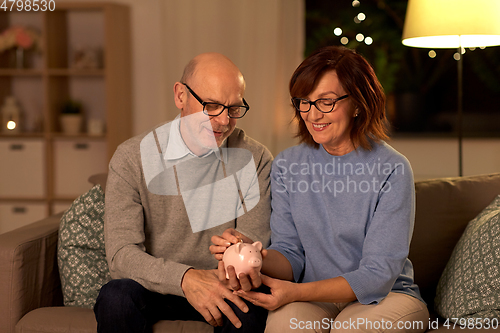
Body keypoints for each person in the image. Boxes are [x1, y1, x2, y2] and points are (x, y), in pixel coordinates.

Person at [211, 46, 429, 332]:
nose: (312, 115)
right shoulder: (288, 165)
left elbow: (377, 276)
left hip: (385, 298)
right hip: (315, 299)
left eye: (326, 102)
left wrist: (296, 293)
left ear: (359, 103)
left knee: (350, 329)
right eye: (304, 101)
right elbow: (290, 253)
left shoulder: (393, 169)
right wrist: (253, 254)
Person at [94, 52, 273, 333]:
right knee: (116, 296)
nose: (224, 121)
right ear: (180, 95)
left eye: (234, 109)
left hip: (224, 288)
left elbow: (256, 247)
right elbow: (121, 255)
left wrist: (240, 250)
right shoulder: (132, 157)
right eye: (212, 105)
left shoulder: (256, 158)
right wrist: (186, 279)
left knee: (250, 308)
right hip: (154, 288)